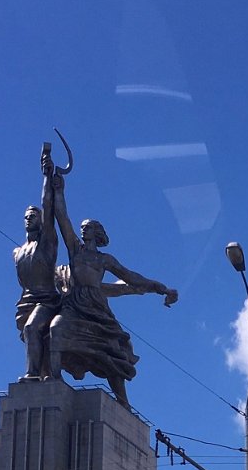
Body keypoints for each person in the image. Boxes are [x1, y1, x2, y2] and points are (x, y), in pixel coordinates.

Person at [49, 173, 177, 409]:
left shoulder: (105, 259)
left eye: (87, 228)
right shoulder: (75, 249)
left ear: (97, 233)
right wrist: (58, 191)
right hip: (74, 304)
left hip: (96, 307)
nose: (83, 231)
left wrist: (160, 288)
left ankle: (123, 401)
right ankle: (53, 380)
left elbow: (132, 278)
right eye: (82, 228)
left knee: (111, 351)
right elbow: (62, 218)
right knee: (56, 329)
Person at [13, 152, 59, 380]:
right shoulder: (17, 252)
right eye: (26, 216)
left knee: (32, 328)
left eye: (33, 216)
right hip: (26, 302)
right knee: (32, 335)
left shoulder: (47, 243)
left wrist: (47, 176)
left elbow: (48, 206)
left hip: (47, 300)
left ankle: (31, 375)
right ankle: (42, 374)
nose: (29, 218)